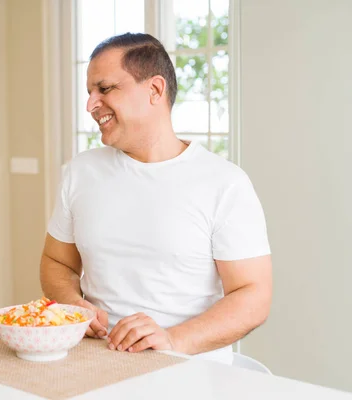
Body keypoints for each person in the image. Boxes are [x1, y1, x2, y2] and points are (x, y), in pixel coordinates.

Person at [39, 33, 272, 364]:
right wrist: (71, 302)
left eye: (104, 89)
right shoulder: (81, 171)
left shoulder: (225, 183)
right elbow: (56, 262)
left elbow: (253, 295)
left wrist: (172, 340)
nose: (91, 104)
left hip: (190, 373)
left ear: (155, 90)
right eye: (89, 92)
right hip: (91, 365)